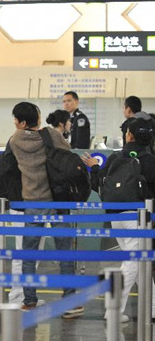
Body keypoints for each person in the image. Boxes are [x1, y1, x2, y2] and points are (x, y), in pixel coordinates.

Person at [9, 102, 82, 318]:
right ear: (37, 119)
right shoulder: (50, 134)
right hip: (57, 200)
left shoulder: (15, 140)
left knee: (29, 255)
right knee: (65, 253)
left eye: (15, 119)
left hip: (32, 202)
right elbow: (67, 154)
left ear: (21, 122)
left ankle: (29, 301)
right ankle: (70, 302)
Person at [82, 118, 155, 322]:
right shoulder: (150, 161)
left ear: (129, 135)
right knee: (133, 261)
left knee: (140, 263)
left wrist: (95, 167)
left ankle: (153, 307)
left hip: (116, 217)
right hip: (139, 217)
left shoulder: (115, 157)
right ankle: (113, 311)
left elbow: (99, 185)